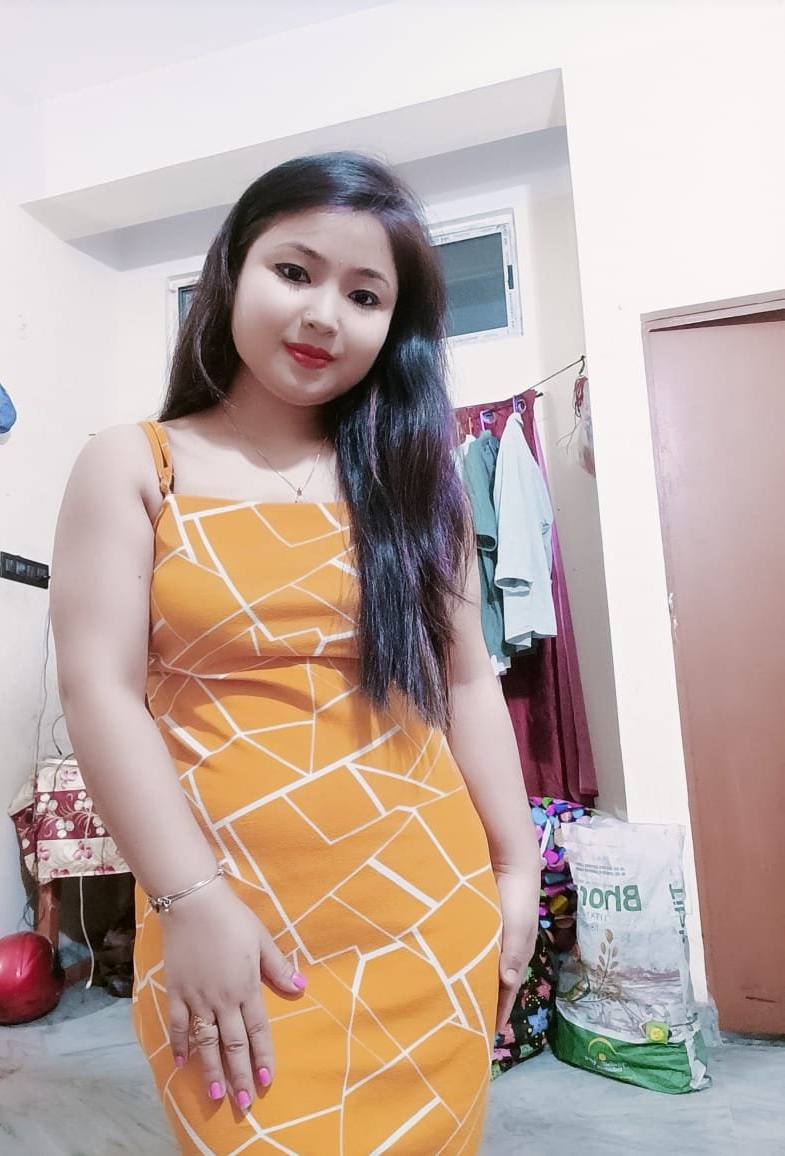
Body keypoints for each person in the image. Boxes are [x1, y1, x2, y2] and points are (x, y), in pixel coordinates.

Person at [50, 151, 540, 1155]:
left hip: (428, 914)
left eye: (365, 295)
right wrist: (191, 902)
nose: (324, 315)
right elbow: (98, 692)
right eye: (294, 272)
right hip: (225, 923)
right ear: (232, 269)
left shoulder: (418, 482)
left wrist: (516, 869)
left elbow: (464, 682)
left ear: (394, 327)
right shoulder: (134, 463)